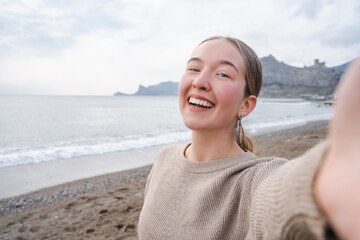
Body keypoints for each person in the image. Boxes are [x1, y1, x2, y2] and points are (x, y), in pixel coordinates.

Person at [138, 36, 360, 239]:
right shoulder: (164, 159)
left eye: (223, 74)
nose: (200, 82)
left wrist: (335, 171)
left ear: (246, 105)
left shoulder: (253, 181)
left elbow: (283, 197)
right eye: (194, 68)